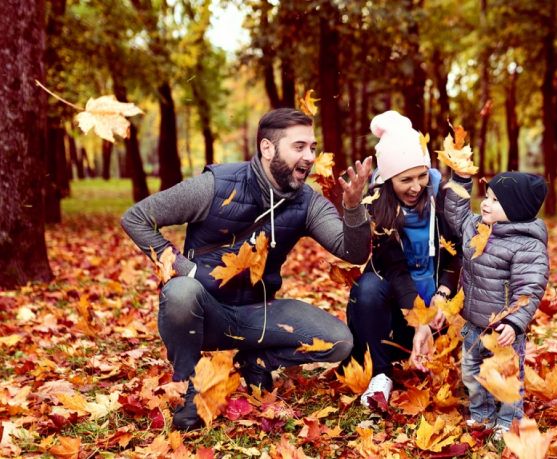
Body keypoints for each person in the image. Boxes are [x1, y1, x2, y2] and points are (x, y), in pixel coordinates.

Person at [121, 108, 373, 430]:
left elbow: (351, 251)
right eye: (299, 147)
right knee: (180, 290)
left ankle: (255, 361)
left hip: (259, 314)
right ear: (267, 148)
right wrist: (190, 270)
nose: (309, 156)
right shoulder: (215, 185)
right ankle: (193, 390)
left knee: (339, 340)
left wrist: (352, 208)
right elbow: (136, 218)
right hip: (206, 313)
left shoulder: (307, 202)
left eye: (312, 147)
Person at [342, 110, 462, 407]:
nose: (416, 186)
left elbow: (454, 254)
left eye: (422, 175)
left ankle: (444, 356)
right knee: (367, 288)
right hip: (396, 308)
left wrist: (443, 295)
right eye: (405, 179)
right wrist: (418, 316)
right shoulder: (377, 208)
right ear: (387, 179)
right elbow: (394, 269)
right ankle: (381, 374)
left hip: (438, 307)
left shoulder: (442, 197)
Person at [441, 169, 549, 440]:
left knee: (507, 377)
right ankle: (482, 416)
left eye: (495, 200)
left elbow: (530, 289)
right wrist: (461, 180)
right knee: (472, 373)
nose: (485, 203)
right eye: (486, 196)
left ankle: (508, 421)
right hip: (474, 325)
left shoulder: (527, 246)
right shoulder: (477, 227)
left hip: (504, 331)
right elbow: (455, 215)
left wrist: (515, 321)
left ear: (516, 209)